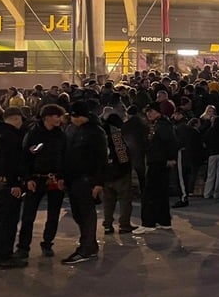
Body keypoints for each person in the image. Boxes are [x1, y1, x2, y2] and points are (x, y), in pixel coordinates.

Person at [61, 101, 109, 264]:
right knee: (78, 213)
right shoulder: (72, 129)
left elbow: (103, 158)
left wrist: (99, 182)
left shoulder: (96, 132)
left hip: (87, 178)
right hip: (73, 178)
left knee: (86, 213)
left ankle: (87, 246)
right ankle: (88, 244)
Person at [18, 104, 68, 258]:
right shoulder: (33, 134)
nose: (60, 119)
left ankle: (47, 243)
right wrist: (28, 179)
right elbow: (25, 158)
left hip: (54, 179)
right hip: (36, 179)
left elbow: (65, 157)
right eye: (57, 116)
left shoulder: (61, 135)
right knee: (28, 215)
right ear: (47, 117)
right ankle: (23, 247)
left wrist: (62, 177)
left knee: (53, 215)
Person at [0, 107, 28, 269]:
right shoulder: (11, 137)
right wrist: (15, 184)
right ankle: (4, 255)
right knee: (8, 221)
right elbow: (10, 162)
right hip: (9, 184)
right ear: (16, 119)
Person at [133, 103, 178, 235]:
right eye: (147, 112)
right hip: (159, 161)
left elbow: (170, 141)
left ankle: (149, 222)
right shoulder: (160, 124)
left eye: (151, 111)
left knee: (150, 193)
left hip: (158, 162)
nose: (148, 114)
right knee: (160, 193)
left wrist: (171, 157)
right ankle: (163, 221)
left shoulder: (162, 125)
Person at [101, 107, 136, 234]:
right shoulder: (115, 134)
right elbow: (122, 155)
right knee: (124, 200)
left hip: (105, 172)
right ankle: (124, 224)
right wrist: (127, 167)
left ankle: (108, 224)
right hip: (119, 172)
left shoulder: (100, 133)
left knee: (108, 201)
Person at [202, 114, 219, 199]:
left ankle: (207, 193)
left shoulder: (210, 131)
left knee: (210, 175)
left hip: (211, 154)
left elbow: (205, 140)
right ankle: (217, 193)